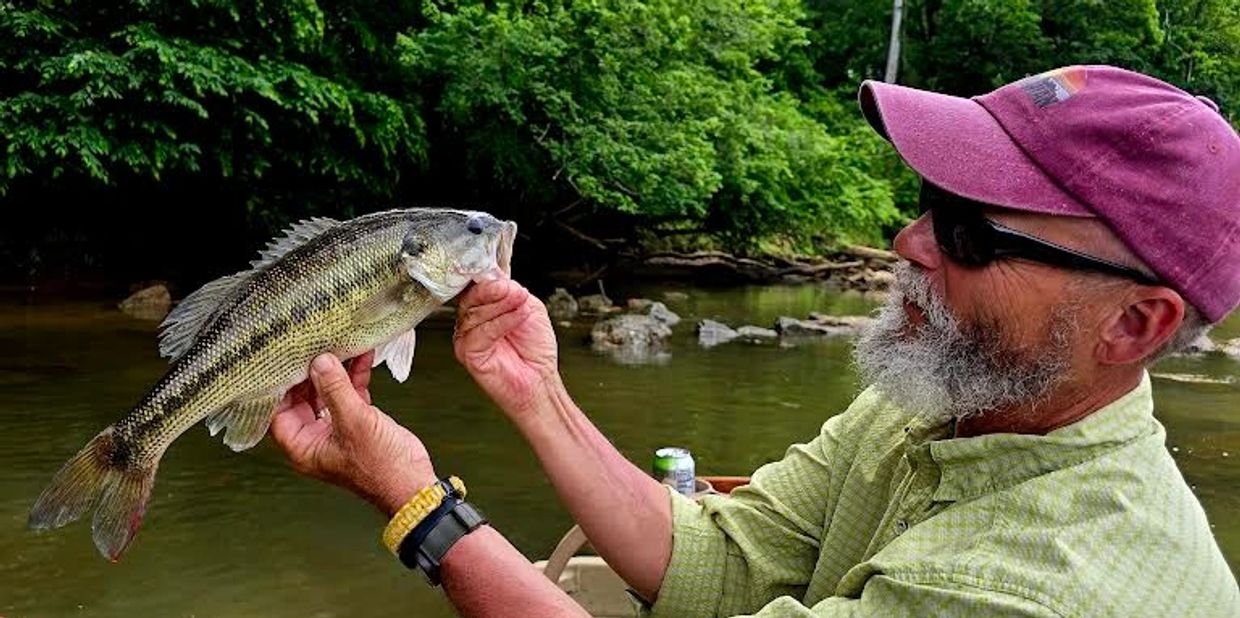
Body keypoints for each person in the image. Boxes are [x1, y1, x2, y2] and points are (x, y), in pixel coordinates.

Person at [269, 65, 1240, 617]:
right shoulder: (946, 396)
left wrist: (418, 509)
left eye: (968, 235)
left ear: (1135, 324)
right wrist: (535, 395)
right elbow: (721, 559)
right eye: (927, 205)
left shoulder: (1047, 592)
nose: (905, 245)